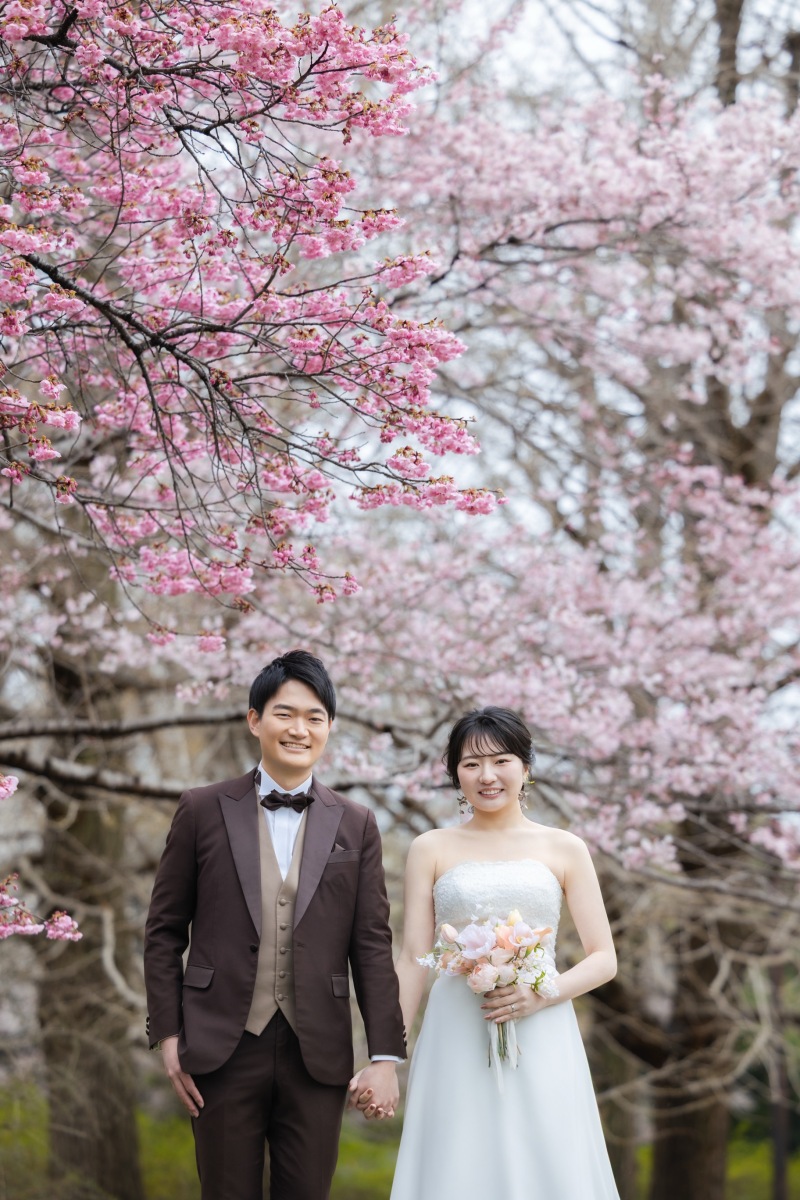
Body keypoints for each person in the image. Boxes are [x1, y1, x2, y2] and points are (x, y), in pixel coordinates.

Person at [144, 649, 406, 1200]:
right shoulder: (201, 809)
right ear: (254, 719)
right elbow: (164, 933)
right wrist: (168, 1035)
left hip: (319, 1052)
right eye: (284, 714)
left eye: (314, 717)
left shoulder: (356, 824)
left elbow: (372, 946)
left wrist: (385, 1057)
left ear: (329, 728)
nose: (299, 729)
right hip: (219, 1046)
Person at [384, 705, 620, 1199]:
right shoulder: (430, 847)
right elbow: (411, 959)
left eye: (501, 761)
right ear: (456, 775)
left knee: (547, 1154)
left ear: (526, 767)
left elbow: (604, 957)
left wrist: (542, 994)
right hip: (455, 1026)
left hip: (543, 1025)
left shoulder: (565, 847)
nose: (487, 776)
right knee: (458, 1156)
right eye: (471, 764)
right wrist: (387, 1055)